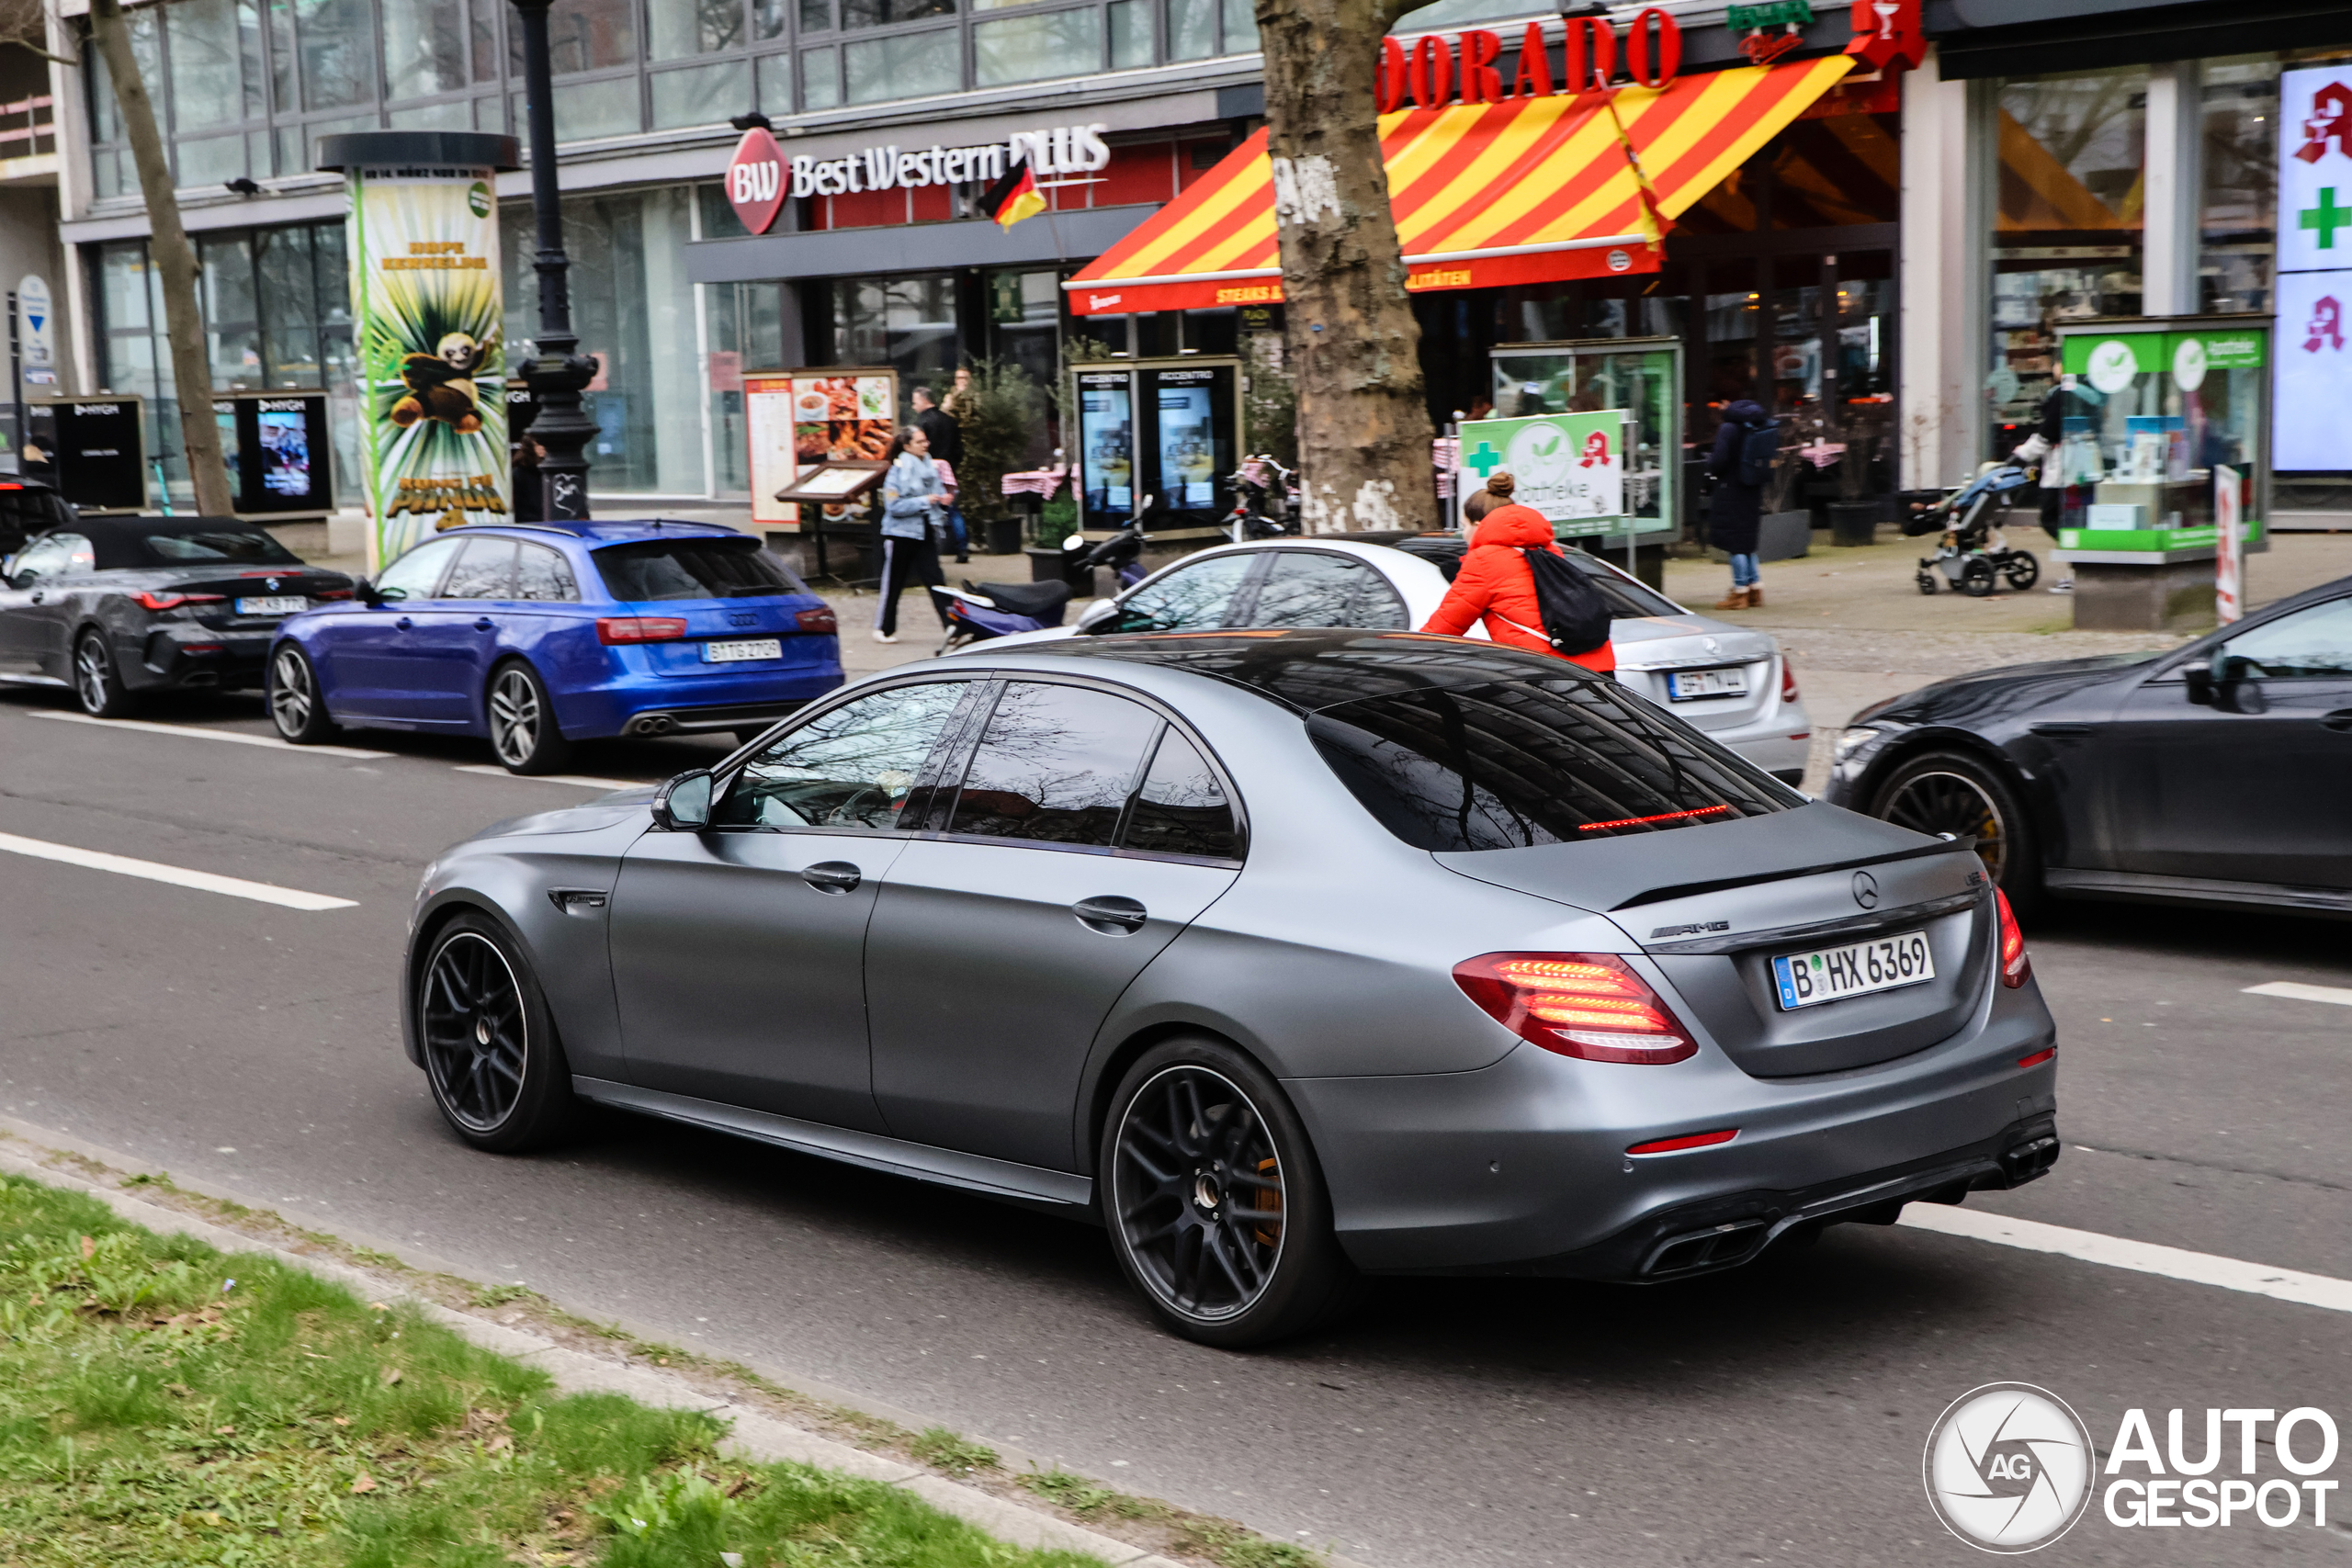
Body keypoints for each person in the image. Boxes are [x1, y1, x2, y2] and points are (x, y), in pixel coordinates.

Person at [1419, 472, 1615, 672]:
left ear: (1478, 526)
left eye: (1464, 526)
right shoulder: (1548, 550)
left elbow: (1446, 625)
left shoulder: (1483, 561)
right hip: (1600, 664)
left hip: (1549, 672)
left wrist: (1409, 653)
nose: (1463, 535)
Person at [874, 424, 950, 644]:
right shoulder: (897, 469)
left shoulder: (929, 465)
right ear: (907, 446)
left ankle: (952, 625)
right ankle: (883, 628)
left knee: (936, 579)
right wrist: (925, 501)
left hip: (925, 528)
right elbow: (893, 506)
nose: (925, 445)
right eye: (920, 442)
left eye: (926, 440)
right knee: (894, 582)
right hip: (900, 533)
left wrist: (942, 500)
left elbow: (936, 492)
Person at [1705, 398, 1777, 610]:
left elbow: (1719, 460)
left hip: (1731, 487)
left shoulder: (1729, 428)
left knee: (1734, 542)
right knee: (1747, 541)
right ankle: (1755, 589)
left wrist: (1709, 464)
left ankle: (1739, 592)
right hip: (1752, 486)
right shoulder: (1758, 424)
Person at [910, 385, 967, 561]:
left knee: (927, 510)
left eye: (914, 402)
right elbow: (959, 448)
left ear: (922, 401)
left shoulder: (922, 424)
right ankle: (962, 548)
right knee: (953, 510)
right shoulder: (950, 420)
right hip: (948, 471)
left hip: (928, 472)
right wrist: (951, 465)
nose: (913, 407)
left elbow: (917, 449)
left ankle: (930, 549)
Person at [510, 437, 545, 523]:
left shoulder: (544, 470)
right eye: (539, 445)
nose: (543, 449)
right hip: (530, 523)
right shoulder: (519, 473)